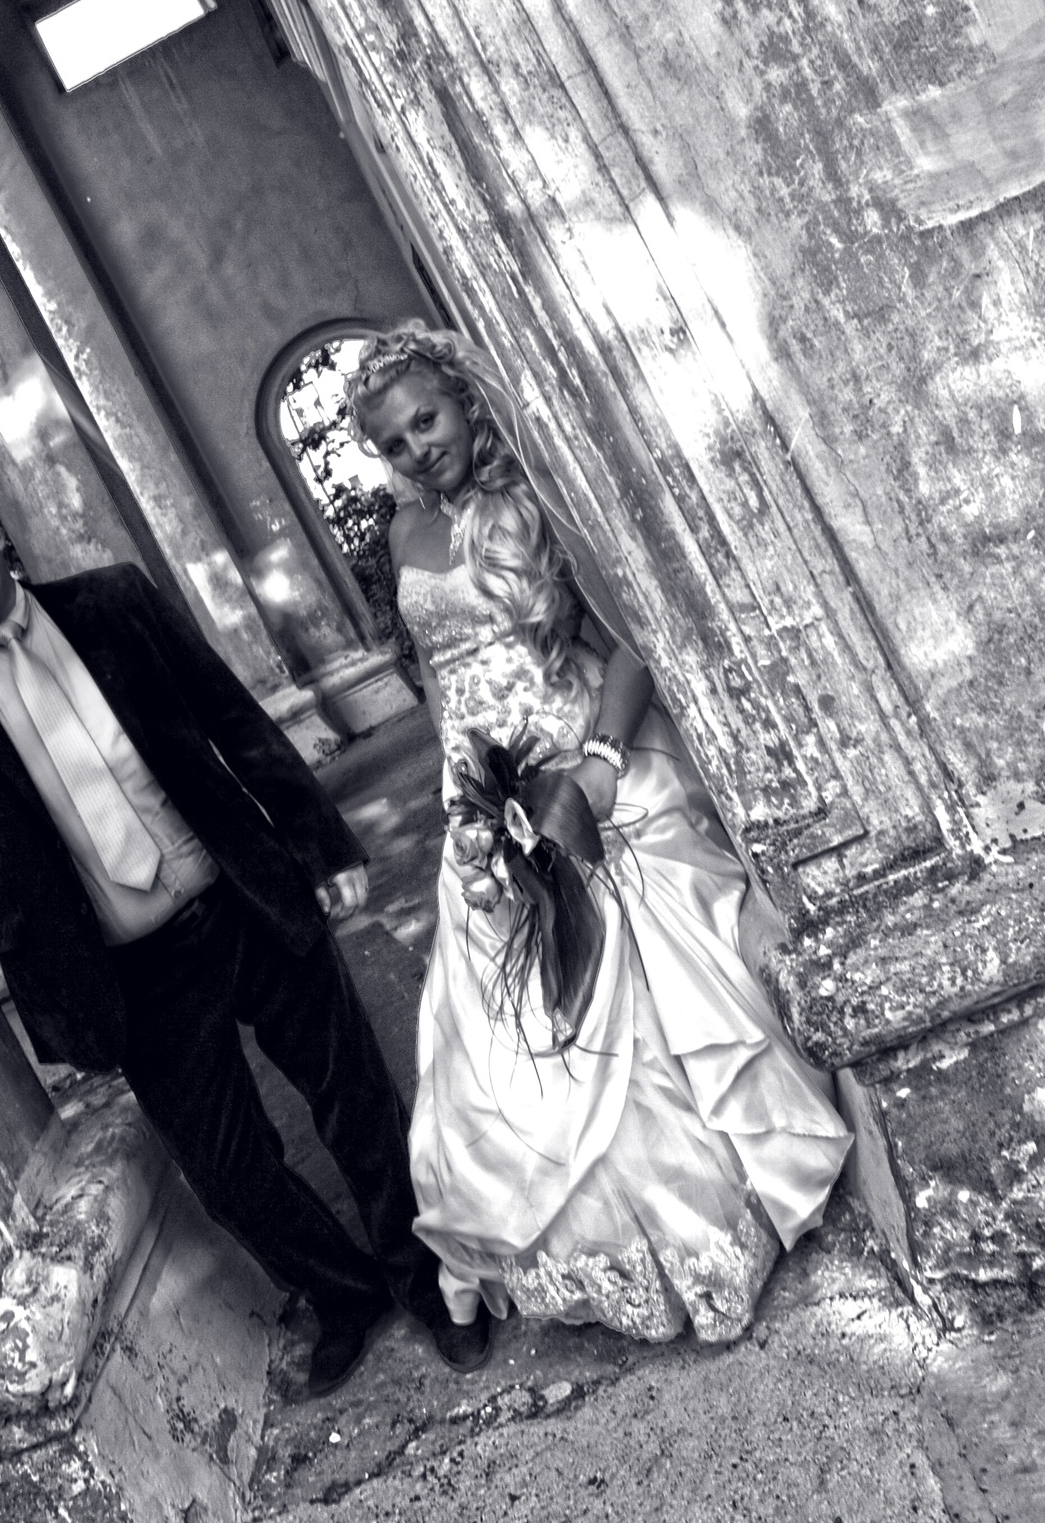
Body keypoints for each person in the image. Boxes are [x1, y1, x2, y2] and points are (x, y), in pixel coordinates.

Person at [0, 469, 487, 1393]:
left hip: (243, 898)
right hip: (133, 975)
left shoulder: (113, 602)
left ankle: (427, 1281)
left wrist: (319, 844)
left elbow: (231, 718)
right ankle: (345, 1296)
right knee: (230, 1172)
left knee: (356, 1098)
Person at [346, 323, 852, 1346]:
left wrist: (601, 763)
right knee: (512, 1015)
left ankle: (698, 1228)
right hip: (481, 800)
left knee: (628, 997)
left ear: (463, 401)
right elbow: (438, 676)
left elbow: (629, 639)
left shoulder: (538, 494)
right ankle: (593, 1248)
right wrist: (462, 789)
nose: (416, 449)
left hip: (582, 766)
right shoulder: (402, 536)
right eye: (393, 442)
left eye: (426, 420)